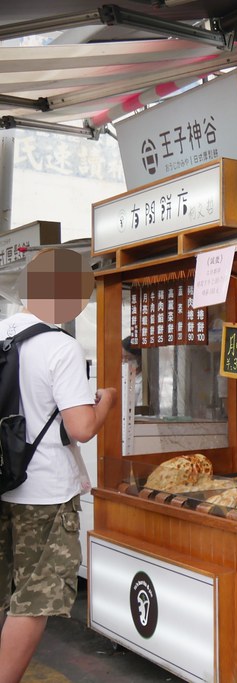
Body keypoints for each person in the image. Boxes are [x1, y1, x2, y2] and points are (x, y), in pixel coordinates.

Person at [0, 248, 116, 683]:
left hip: (3, 481)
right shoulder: (59, 346)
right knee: (34, 600)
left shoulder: (1, 333)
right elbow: (82, 427)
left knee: (8, 590)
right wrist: (106, 401)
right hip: (44, 491)